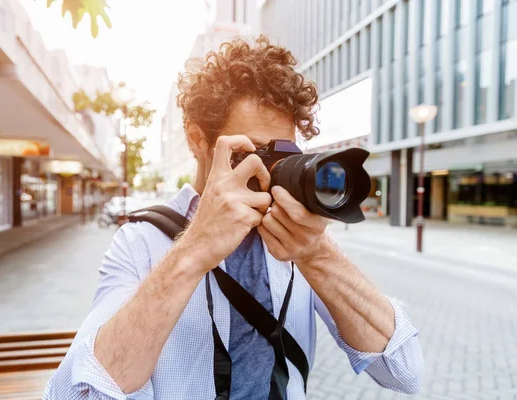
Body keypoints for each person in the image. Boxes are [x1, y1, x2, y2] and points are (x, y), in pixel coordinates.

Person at [43, 36, 423, 400]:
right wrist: (193, 250)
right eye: (254, 152)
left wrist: (316, 254)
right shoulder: (141, 241)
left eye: (284, 156)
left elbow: (404, 371)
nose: (268, 170)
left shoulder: (299, 237)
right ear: (197, 139)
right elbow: (79, 395)